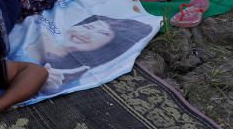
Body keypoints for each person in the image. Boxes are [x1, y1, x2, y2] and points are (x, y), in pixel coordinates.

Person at [22, 14, 156, 94]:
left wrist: (42, 86)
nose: (84, 34)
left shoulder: (67, 80)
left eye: (102, 34)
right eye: (88, 27)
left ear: (105, 49)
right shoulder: (33, 29)